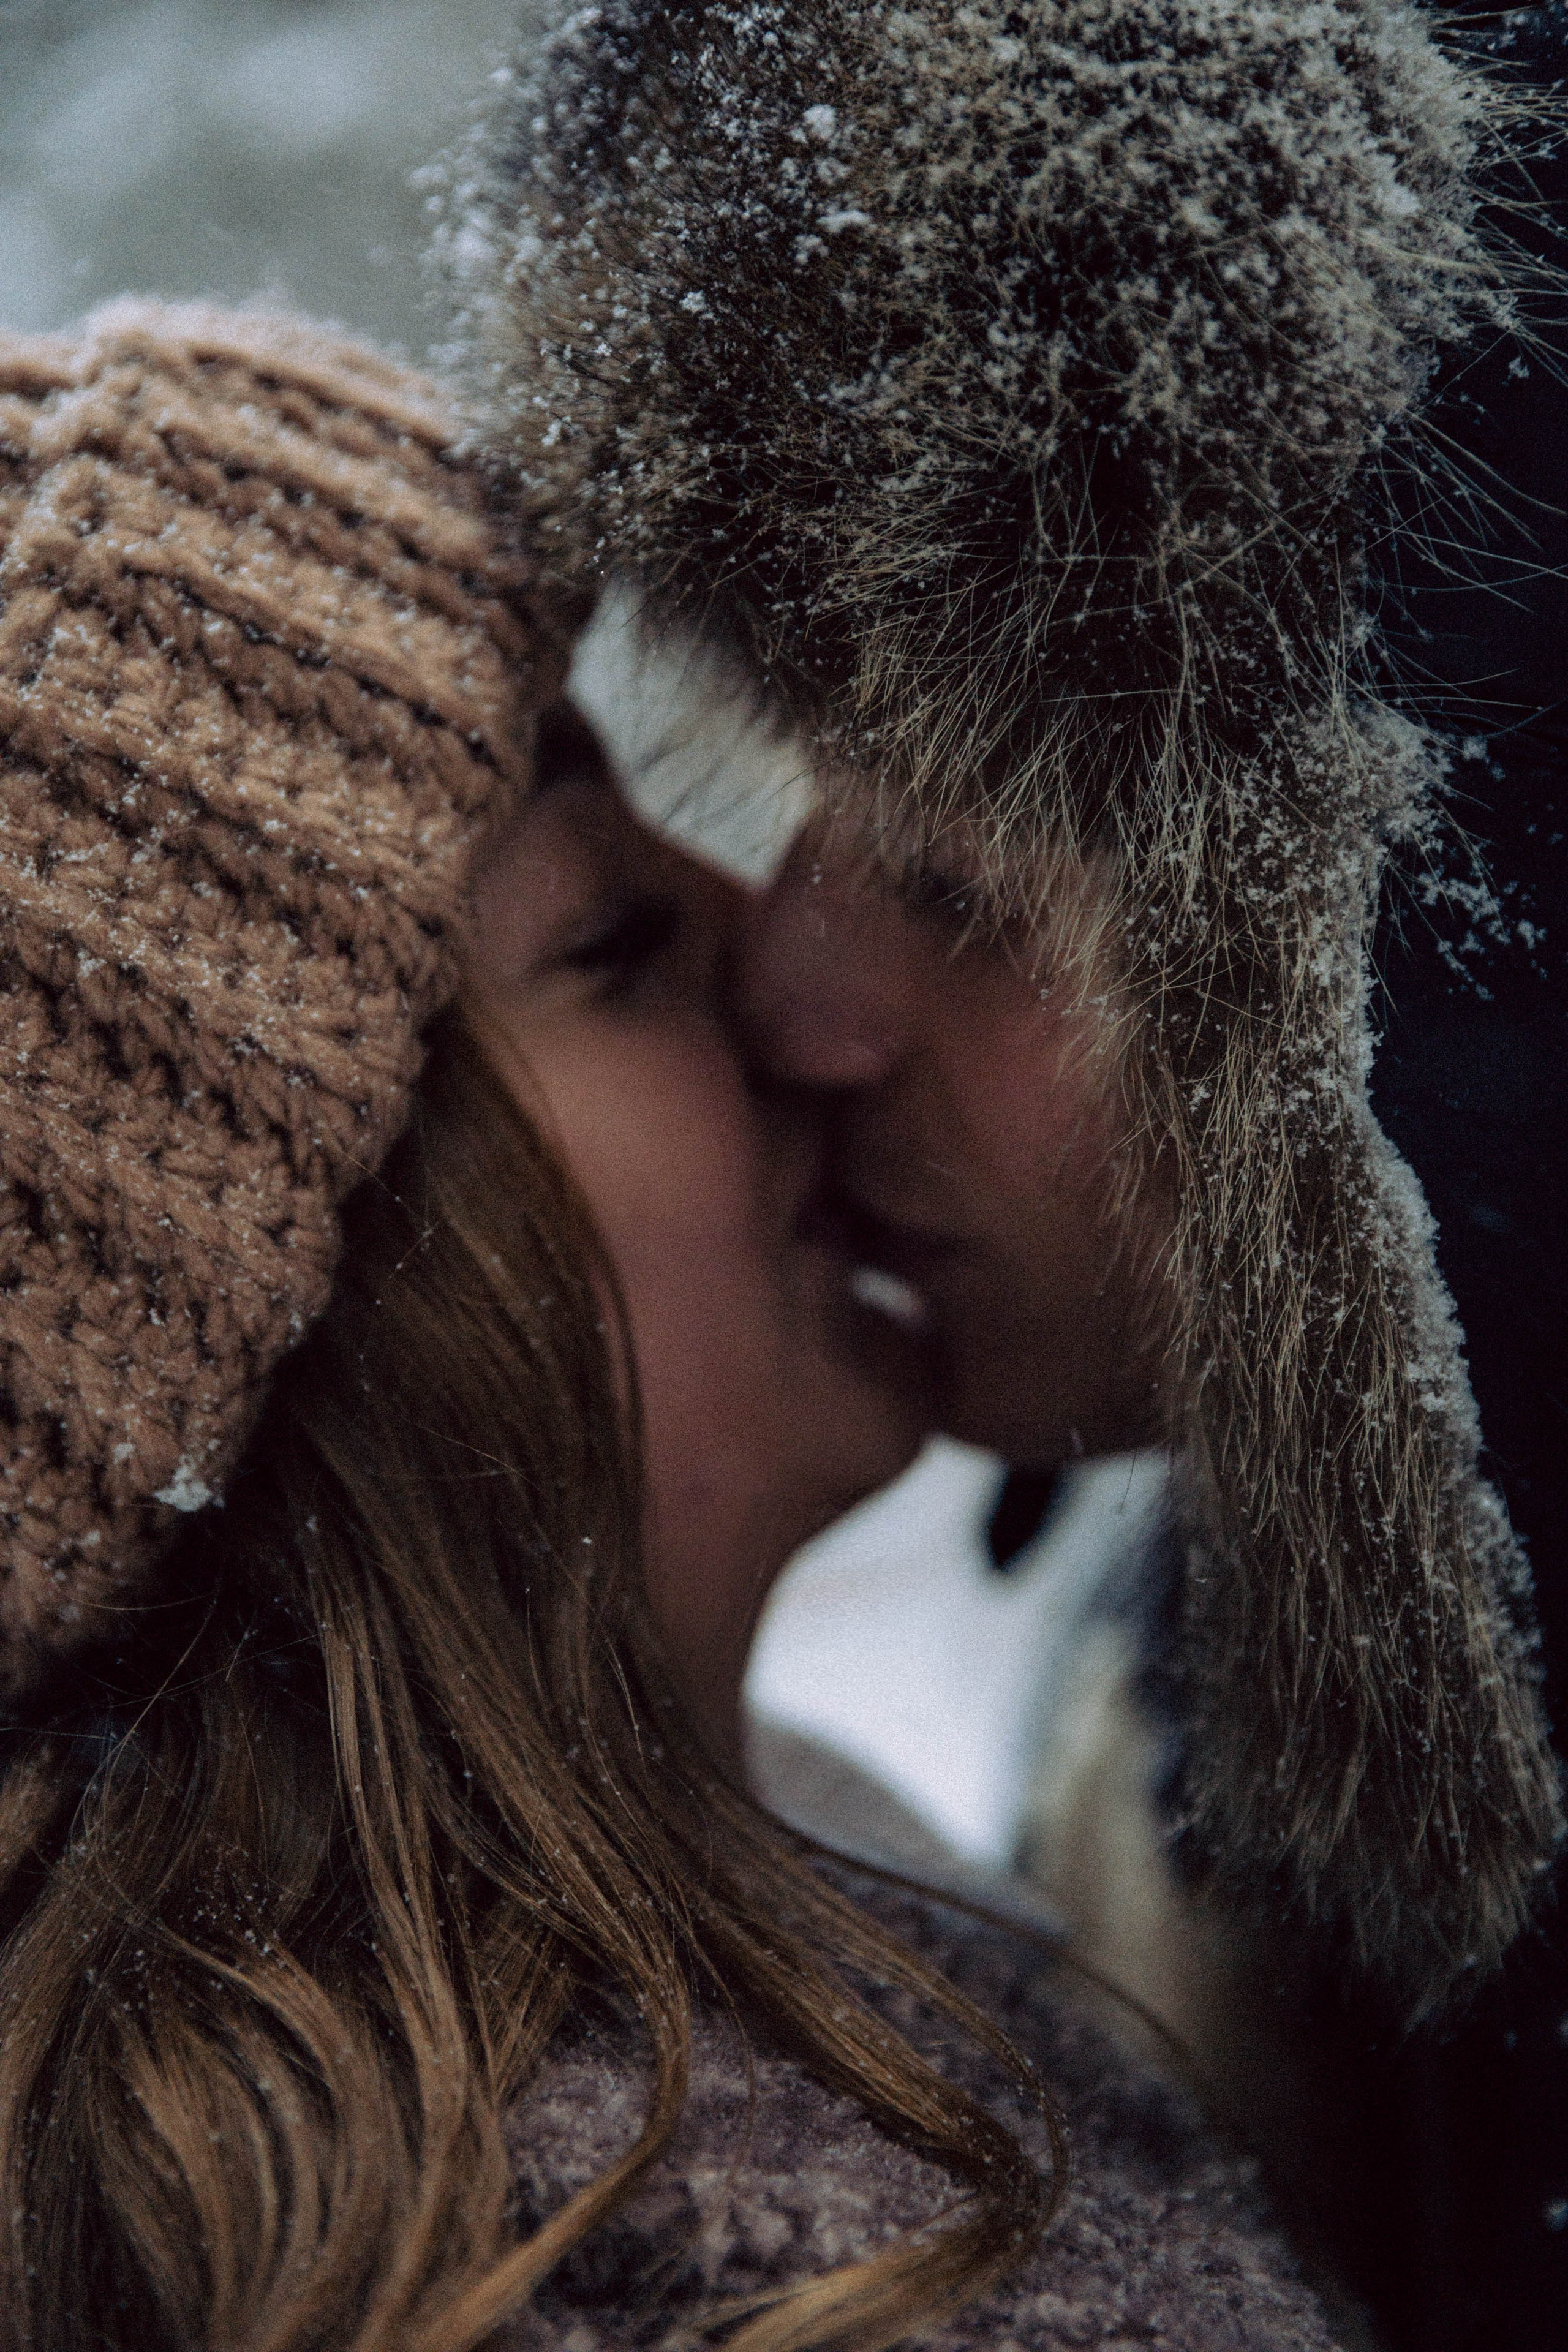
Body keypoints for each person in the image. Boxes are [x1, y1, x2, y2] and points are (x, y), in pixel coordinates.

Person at [0, 304, 1341, 2350]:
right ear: (310, 1318)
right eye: (613, 941)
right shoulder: (723, 2282)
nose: (778, 966)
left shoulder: (832, 1956)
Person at [450, 0, 1562, 2020]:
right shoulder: (1168, 1882)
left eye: (967, 890)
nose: (782, 1001)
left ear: (1423, 1011)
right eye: (799, 797)